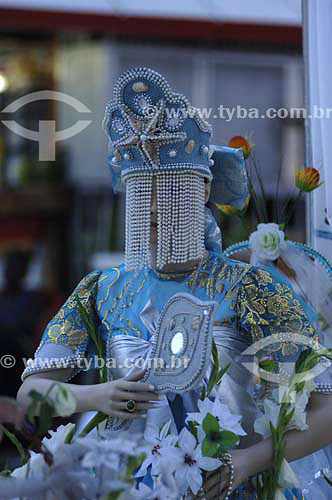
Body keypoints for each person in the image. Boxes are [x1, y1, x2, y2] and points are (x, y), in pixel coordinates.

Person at [17, 67, 332, 499]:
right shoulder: (102, 290)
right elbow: (31, 394)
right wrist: (96, 397)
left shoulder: (251, 287)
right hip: (125, 484)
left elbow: (326, 410)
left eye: (169, 192)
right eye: (140, 193)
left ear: (201, 190)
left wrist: (248, 460)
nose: (151, 209)